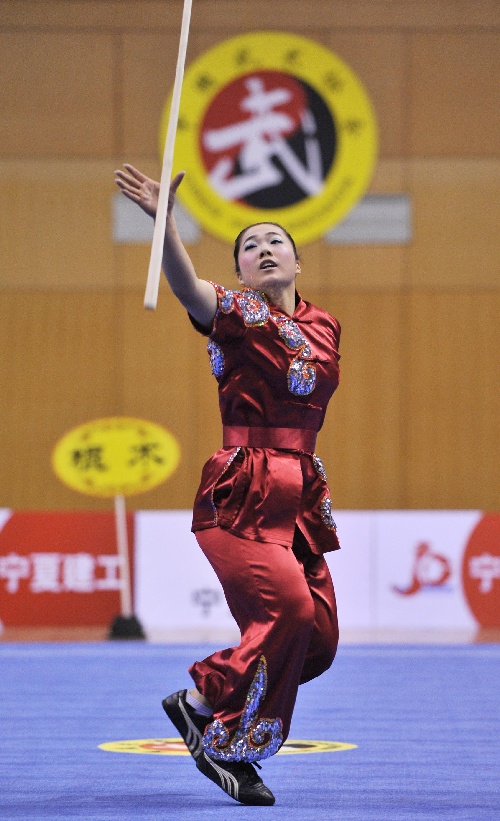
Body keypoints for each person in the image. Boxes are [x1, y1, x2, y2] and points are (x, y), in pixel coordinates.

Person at [114, 164, 342, 807]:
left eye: (275, 242)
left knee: (316, 643)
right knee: (288, 613)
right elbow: (187, 286)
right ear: (241, 273)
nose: (264, 249)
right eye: (249, 247)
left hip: (301, 494)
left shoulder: (325, 326)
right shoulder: (231, 314)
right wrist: (165, 224)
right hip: (241, 493)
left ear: (297, 261)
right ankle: (208, 715)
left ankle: (208, 710)